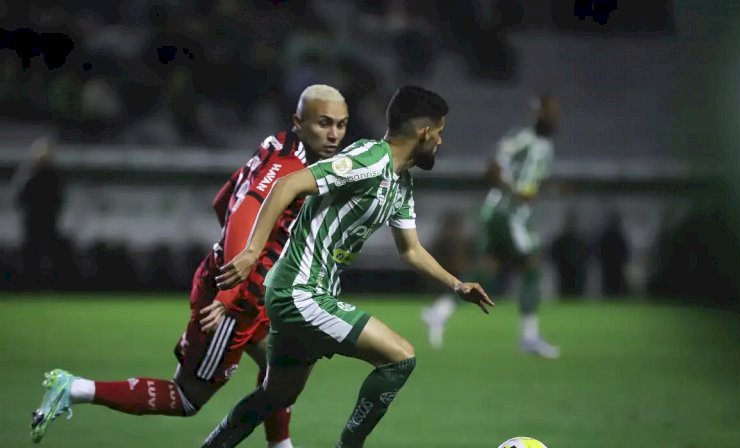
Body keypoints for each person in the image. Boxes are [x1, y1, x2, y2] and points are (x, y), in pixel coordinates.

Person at [29, 85, 350, 447]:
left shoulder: (277, 144)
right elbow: (242, 214)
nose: (335, 134)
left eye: (341, 124)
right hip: (233, 303)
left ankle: (281, 445)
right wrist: (230, 293)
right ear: (299, 121)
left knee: (282, 367)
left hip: (252, 294)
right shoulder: (288, 168)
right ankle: (74, 388)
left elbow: (223, 200)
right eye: (324, 123)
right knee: (186, 398)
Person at [198, 86, 493, 448]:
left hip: (304, 292)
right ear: (424, 132)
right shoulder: (370, 159)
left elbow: (411, 250)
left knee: (277, 396)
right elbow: (287, 185)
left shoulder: (400, 183)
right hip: (299, 290)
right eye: (441, 132)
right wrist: (250, 252)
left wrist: (456, 285)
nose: (441, 142)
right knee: (399, 358)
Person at [422, 94, 561, 358]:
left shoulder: (545, 147)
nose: (554, 117)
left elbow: (531, 182)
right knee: (532, 265)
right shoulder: (523, 139)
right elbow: (493, 167)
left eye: (556, 112)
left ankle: (439, 311)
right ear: (538, 113)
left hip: (513, 213)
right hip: (505, 213)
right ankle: (529, 336)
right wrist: (515, 192)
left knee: (488, 268)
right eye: (550, 111)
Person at [12, 137, 66, 289]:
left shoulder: (53, 175)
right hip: (32, 220)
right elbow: (20, 196)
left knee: (50, 254)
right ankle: (29, 284)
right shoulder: (27, 172)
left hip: (48, 220)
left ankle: (52, 285)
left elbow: (59, 198)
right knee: (30, 254)